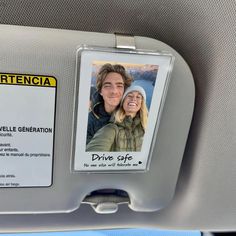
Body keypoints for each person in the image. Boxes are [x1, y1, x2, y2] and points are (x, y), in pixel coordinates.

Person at [86, 85, 148, 152]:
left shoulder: (146, 127)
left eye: (138, 97)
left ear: (142, 103)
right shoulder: (111, 129)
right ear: (123, 101)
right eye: (129, 96)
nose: (134, 99)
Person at [86, 63, 133, 144]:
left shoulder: (135, 116)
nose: (114, 91)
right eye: (107, 86)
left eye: (119, 86)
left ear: (124, 90)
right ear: (100, 91)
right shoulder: (90, 121)